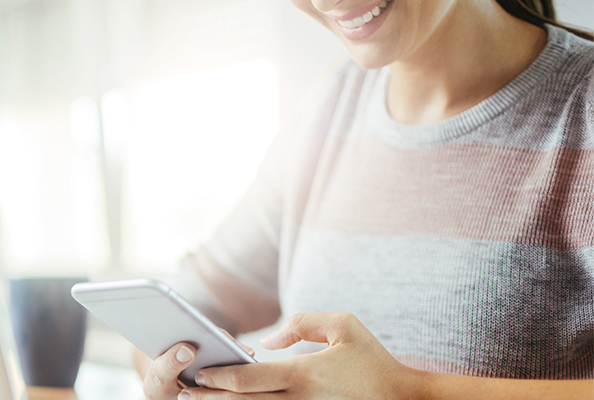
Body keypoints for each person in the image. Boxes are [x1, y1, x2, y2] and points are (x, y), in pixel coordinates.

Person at [137, 0, 594, 399]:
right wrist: (174, 372)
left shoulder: (584, 107)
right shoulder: (330, 108)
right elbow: (179, 309)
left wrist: (411, 392)